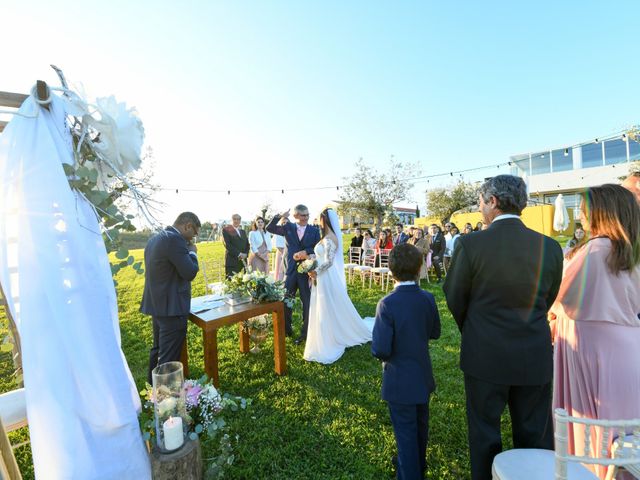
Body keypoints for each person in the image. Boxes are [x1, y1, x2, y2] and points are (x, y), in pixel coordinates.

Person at [443, 175, 563, 480]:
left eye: (481, 202)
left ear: (493, 202)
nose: (480, 209)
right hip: (534, 354)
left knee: (484, 435)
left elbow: (455, 296)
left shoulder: (470, 244)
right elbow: (548, 297)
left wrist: (475, 328)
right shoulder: (549, 247)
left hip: (485, 354)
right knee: (535, 437)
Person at [549, 184, 640, 479]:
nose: (581, 217)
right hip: (628, 346)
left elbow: (559, 295)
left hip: (590, 349)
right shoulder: (631, 252)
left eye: (586, 211)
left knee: (593, 431)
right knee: (625, 430)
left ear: (602, 214)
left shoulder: (593, 251)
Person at [372, 243, 441, 480]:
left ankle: (410, 471)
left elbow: (380, 349)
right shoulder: (428, 298)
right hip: (422, 375)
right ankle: (415, 462)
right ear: (419, 267)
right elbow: (435, 332)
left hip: (399, 379)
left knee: (405, 432)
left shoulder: (387, 304)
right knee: (420, 426)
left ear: (390, 271)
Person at [304, 209, 374, 364]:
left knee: (327, 305)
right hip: (320, 275)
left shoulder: (330, 239)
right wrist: (311, 260)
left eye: (320, 219)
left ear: (325, 220)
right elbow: (322, 257)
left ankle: (329, 336)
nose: (318, 221)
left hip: (325, 277)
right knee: (324, 305)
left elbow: (329, 262)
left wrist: (315, 271)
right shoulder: (325, 238)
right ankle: (325, 332)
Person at [141, 212, 201, 383]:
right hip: (172, 308)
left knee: (158, 350)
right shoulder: (175, 240)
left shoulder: (155, 238)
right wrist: (193, 253)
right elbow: (189, 272)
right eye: (194, 232)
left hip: (158, 304)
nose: (194, 237)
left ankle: (151, 390)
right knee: (168, 357)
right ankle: (164, 398)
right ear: (187, 226)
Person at [266, 204, 320, 343]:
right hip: (289, 271)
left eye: (307, 215)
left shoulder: (314, 230)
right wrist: (280, 216)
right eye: (303, 215)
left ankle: (305, 333)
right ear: (295, 216)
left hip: (305, 271)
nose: (306, 218)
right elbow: (270, 228)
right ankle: (286, 331)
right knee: (285, 301)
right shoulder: (288, 227)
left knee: (307, 303)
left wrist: (306, 252)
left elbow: (316, 248)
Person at [222, 213, 249, 278]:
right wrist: (239, 254)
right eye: (234, 219)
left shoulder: (243, 232)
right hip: (232, 261)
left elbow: (247, 245)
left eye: (238, 219)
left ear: (240, 221)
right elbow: (227, 245)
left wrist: (246, 254)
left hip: (243, 262)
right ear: (231, 220)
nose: (236, 221)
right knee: (231, 283)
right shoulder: (226, 230)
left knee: (243, 284)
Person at [272, 217, 287, 281]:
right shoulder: (278, 232)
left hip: (288, 253)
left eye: (286, 222)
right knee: (280, 269)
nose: (285, 224)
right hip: (281, 252)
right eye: (283, 222)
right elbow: (277, 245)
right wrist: (284, 253)